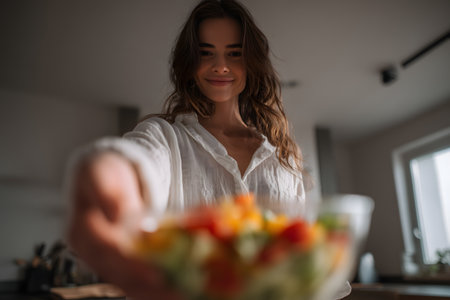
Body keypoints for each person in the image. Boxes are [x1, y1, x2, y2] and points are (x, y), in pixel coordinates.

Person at [67, 0, 348, 299]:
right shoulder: (168, 138)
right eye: (206, 53)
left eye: (234, 53)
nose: (221, 65)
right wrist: (111, 174)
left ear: (251, 62)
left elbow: (304, 258)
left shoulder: (285, 159)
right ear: (190, 64)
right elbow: (137, 159)